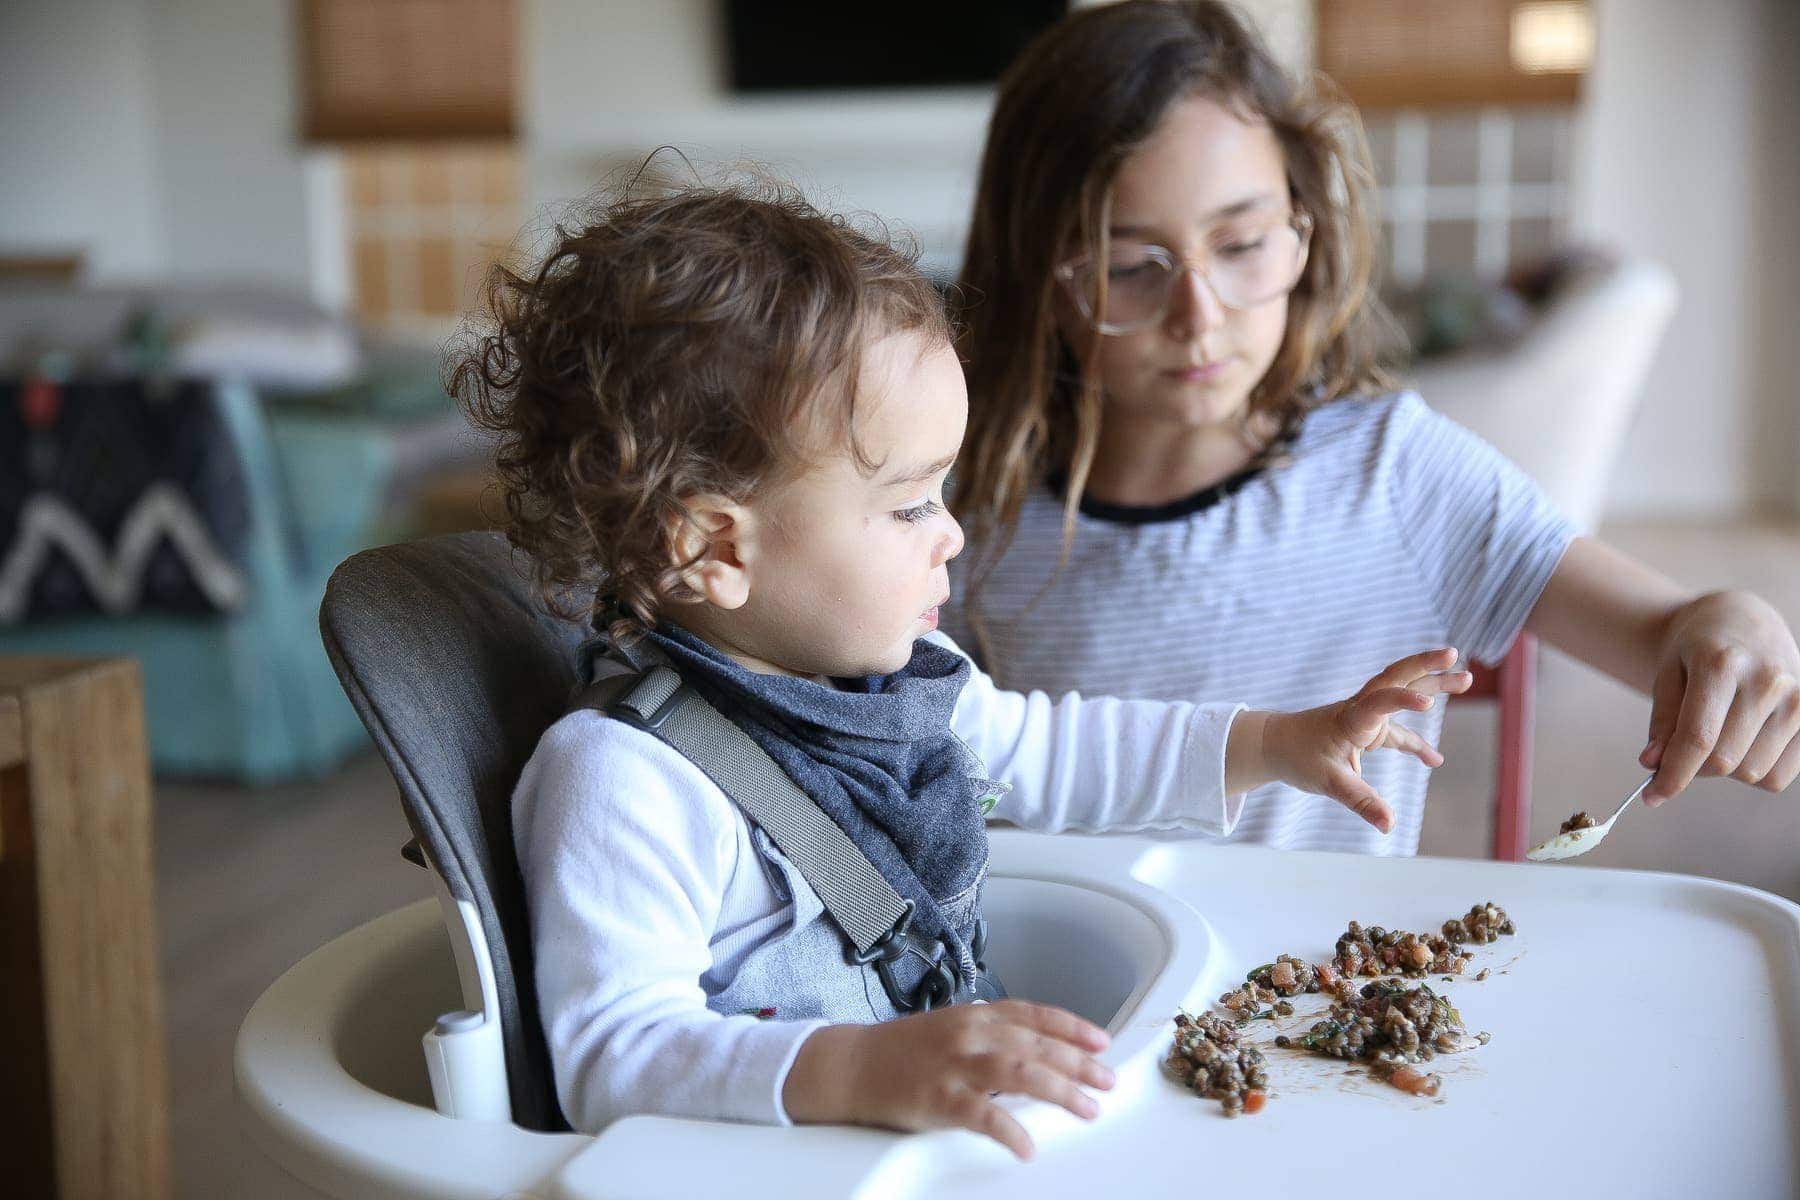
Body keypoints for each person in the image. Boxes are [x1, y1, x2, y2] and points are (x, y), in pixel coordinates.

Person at [450, 178, 1470, 1159]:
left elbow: (1060, 752)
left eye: (944, 492)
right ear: (713, 550)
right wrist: (856, 1073)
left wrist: (1279, 742)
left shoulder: (902, 685)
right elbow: (608, 1059)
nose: (951, 537)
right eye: (907, 505)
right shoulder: (626, 780)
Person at [944, 0, 1800, 857]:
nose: (1198, 316)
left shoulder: (1394, 470)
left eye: (1242, 245)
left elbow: (1663, 629)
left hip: (1330, 979)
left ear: (1303, 233)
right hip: (1084, 979)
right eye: (1129, 267)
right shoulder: (967, 509)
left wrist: (1730, 621)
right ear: (1041, 275)